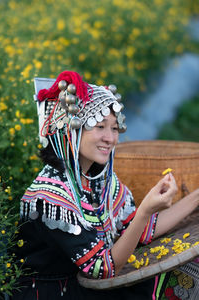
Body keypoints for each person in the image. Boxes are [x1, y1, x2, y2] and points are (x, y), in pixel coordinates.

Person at [11, 71, 199, 300]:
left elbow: (143, 230)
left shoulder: (98, 180)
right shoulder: (51, 197)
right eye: (99, 127)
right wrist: (146, 209)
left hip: (89, 285)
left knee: (190, 270)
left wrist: (195, 197)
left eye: (114, 128)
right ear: (71, 130)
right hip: (55, 292)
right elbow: (103, 270)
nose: (110, 138)